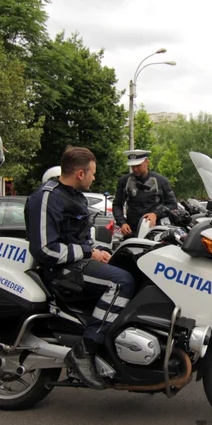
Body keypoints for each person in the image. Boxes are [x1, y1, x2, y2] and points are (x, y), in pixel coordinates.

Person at [25, 146, 135, 390]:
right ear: (80, 174)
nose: (95, 177)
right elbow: (45, 250)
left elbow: (80, 238)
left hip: (77, 263)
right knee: (122, 282)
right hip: (59, 271)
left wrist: (99, 252)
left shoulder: (74, 196)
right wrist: (89, 252)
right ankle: (86, 349)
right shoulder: (47, 197)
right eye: (93, 173)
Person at [112, 150, 178, 238]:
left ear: (147, 161)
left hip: (155, 231)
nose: (135, 169)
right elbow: (117, 204)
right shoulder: (124, 181)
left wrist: (155, 214)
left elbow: (173, 204)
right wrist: (122, 223)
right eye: (132, 166)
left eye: (138, 165)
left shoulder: (161, 181)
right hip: (131, 231)